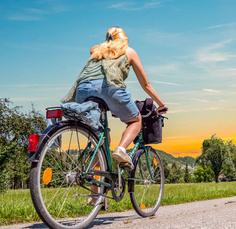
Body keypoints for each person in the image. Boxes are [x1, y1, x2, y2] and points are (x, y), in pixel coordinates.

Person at [61, 26, 167, 167]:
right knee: (136, 120)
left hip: (82, 91)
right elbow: (145, 84)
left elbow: (93, 81)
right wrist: (161, 104)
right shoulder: (129, 51)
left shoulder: (96, 52)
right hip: (110, 89)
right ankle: (121, 149)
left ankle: (96, 184)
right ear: (124, 38)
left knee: (102, 141)